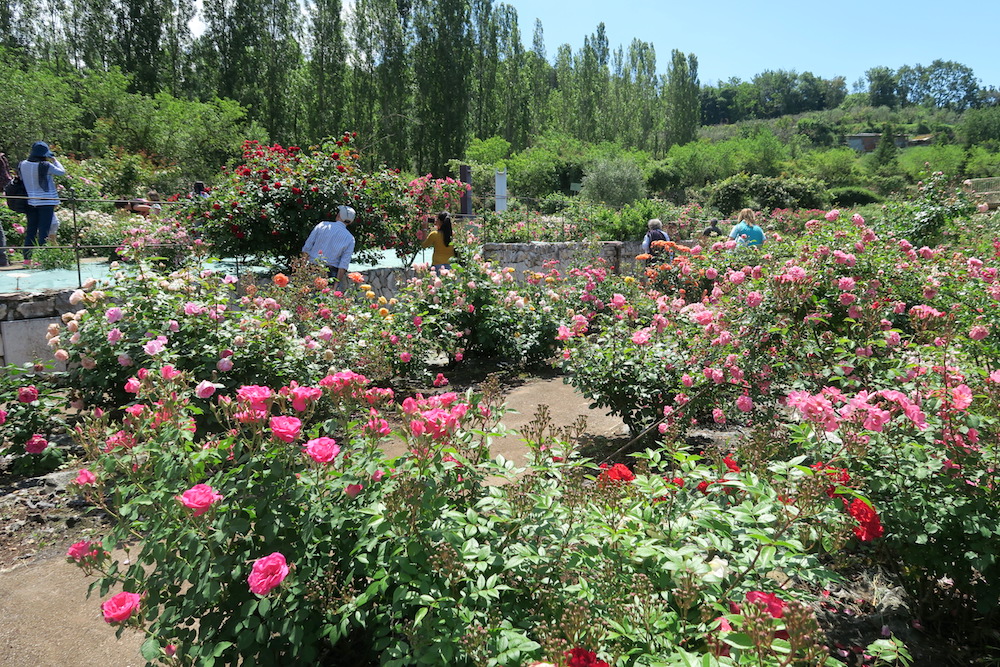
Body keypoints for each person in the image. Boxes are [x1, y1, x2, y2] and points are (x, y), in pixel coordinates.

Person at [19, 141, 66, 260]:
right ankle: (42, 258)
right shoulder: (46, 166)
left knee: (31, 231)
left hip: (30, 201)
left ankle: (27, 259)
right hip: (46, 202)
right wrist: (54, 160)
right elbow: (62, 172)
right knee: (43, 231)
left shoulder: (23, 164)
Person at [302, 205, 357, 288]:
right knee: (324, 299)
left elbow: (307, 248)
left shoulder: (322, 225)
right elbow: (343, 264)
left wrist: (302, 270)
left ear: (338, 215)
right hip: (330, 273)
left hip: (312, 268)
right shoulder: (350, 238)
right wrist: (336, 284)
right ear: (351, 221)